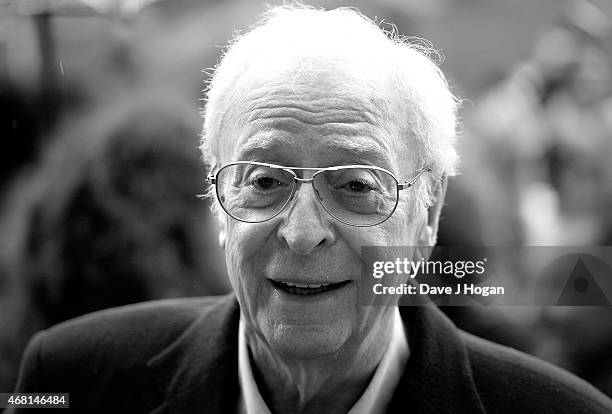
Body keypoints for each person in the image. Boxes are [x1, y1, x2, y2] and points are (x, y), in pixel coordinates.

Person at [9, 5, 612, 414]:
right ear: (218, 205)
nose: (301, 233)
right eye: (265, 181)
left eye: (354, 186)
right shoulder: (69, 381)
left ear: (428, 214)